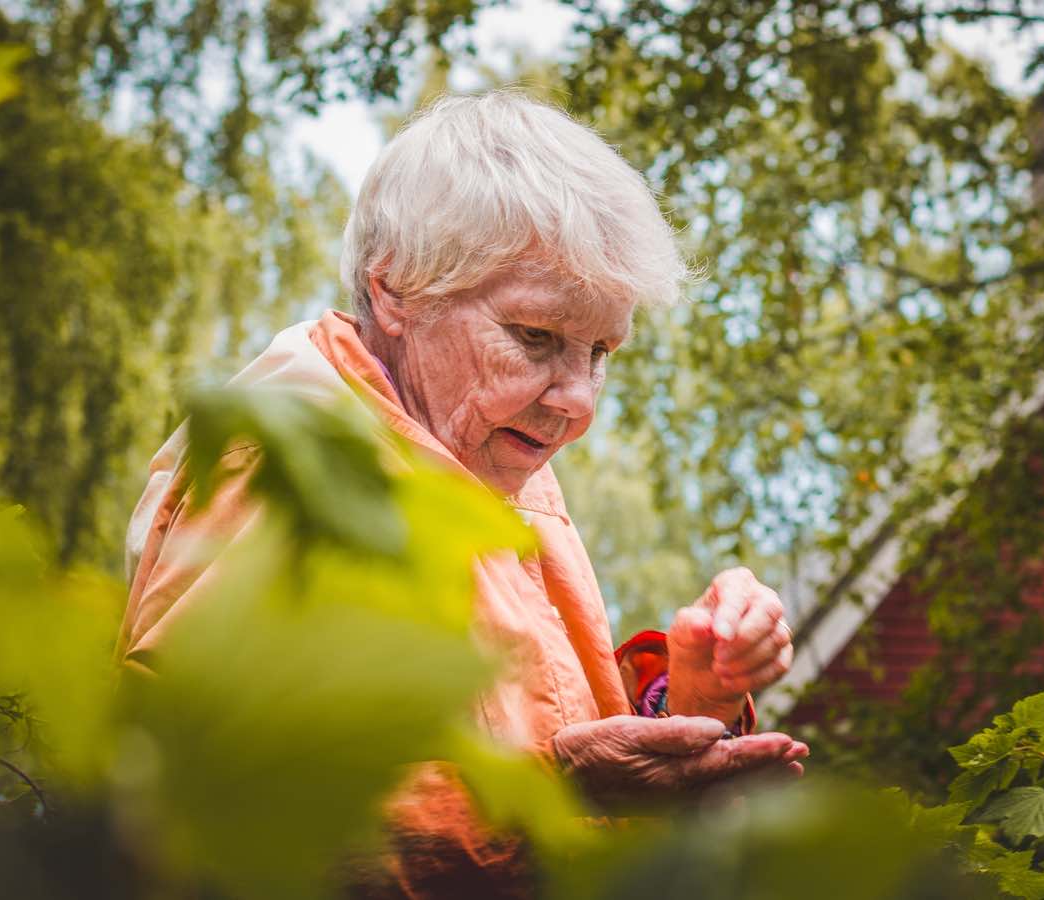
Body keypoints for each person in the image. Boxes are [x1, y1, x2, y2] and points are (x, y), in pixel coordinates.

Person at [116, 91, 808, 897]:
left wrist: (689, 694)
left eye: (600, 351)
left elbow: (541, 733)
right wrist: (546, 792)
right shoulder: (288, 470)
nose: (577, 401)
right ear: (395, 291)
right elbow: (180, 809)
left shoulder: (492, 459)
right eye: (536, 338)